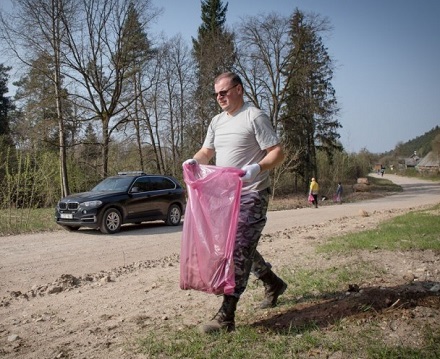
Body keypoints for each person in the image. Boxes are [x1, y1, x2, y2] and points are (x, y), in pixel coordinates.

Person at [183, 72, 287, 334]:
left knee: (239, 247)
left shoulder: (254, 116)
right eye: (216, 94)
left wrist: (258, 168)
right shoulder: (216, 122)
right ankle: (273, 283)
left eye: (224, 92)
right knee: (236, 246)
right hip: (225, 196)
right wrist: (194, 162)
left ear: (238, 89)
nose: (219, 97)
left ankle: (226, 316)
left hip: (252, 192)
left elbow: (277, 152)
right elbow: (207, 152)